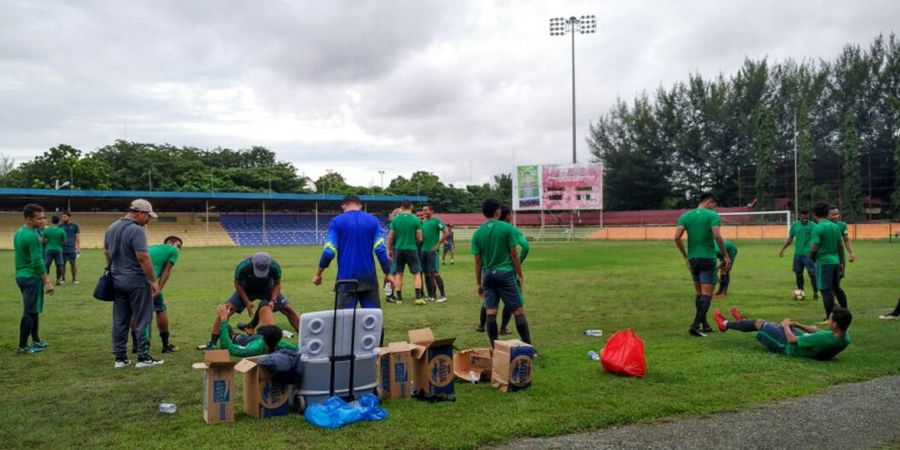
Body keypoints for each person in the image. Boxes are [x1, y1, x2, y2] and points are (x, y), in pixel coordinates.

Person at [104, 199, 163, 368]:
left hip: (117, 280)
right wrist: (153, 280)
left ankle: (120, 358)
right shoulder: (136, 230)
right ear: (140, 213)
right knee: (143, 318)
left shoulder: (112, 228)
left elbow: (107, 253)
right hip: (137, 281)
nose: (148, 220)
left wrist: (114, 269)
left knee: (120, 320)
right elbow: (143, 257)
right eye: (148, 217)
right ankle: (143, 357)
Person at [199, 252, 300, 350]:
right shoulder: (243, 266)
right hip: (246, 289)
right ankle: (212, 343)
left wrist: (273, 300)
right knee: (228, 309)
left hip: (268, 289)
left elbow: (277, 283)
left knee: (288, 310)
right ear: (253, 264)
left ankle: (305, 337)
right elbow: (237, 283)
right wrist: (246, 301)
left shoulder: (275, 266)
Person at [312, 194, 392, 311]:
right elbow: (380, 249)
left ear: (343, 206)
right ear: (360, 205)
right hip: (368, 278)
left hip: (345, 279)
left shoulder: (336, 222)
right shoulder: (373, 221)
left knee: (344, 323)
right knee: (372, 322)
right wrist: (388, 273)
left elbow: (329, 252)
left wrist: (318, 274)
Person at [472, 198, 531, 348]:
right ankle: (529, 347)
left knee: (491, 312)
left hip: (488, 275)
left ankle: (495, 349)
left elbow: (478, 262)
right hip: (505, 273)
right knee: (518, 310)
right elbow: (514, 254)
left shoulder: (477, 233)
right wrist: (520, 274)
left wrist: (479, 283)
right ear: (498, 211)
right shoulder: (507, 228)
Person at [674, 193, 729, 337]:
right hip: (707, 258)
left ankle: (704, 325)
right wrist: (725, 254)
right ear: (710, 202)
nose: (714, 208)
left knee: (699, 293)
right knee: (707, 295)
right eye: (714, 205)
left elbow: (676, 237)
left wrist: (685, 256)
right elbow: (717, 235)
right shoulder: (712, 215)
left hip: (693, 259)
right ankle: (695, 325)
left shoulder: (686, 216)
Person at [712, 306, 851, 360]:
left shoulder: (824, 341)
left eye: (830, 319)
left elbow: (791, 340)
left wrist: (786, 326)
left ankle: (724, 325)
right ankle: (742, 322)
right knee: (771, 324)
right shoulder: (844, 337)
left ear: (836, 324)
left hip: (787, 346)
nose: (828, 320)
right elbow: (818, 331)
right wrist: (797, 324)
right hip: (802, 338)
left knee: (761, 324)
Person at [14, 204, 55, 354]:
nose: (42, 220)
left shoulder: (20, 232)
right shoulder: (32, 236)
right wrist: (47, 281)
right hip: (31, 277)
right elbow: (37, 261)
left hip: (21, 275)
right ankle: (23, 346)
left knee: (33, 310)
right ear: (29, 219)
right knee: (29, 311)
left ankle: (36, 340)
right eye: (39, 218)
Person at [132, 236, 183, 354]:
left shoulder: (152, 247)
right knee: (160, 309)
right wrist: (158, 288)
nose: (179, 250)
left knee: (136, 312)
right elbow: (166, 271)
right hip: (149, 283)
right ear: (170, 242)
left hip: (134, 281)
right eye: (178, 246)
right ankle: (165, 345)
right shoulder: (173, 250)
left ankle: (135, 345)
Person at [810, 202, 846, 322]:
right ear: (827, 213)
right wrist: (841, 263)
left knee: (825, 290)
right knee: (836, 288)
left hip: (824, 263)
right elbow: (841, 246)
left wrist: (812, 256)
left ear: (814, 214)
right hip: (835, 261)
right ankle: (845, 311)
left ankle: (829, 317)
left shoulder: (817, 228)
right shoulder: (835, 226)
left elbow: (815, 246)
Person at [216, 304, 298, 357]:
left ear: (264, 339)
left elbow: (227, 346)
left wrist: (223, 320)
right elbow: (300, 350)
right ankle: (249, 327)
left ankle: (235, 335)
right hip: (257, 338)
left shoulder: (253, 349)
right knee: (264, 303)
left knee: (238, 337)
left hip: (250, 341)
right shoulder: (282, 345)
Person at [387, 199, 424, 304]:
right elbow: (420, 238)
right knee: (416, 273)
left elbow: (390, 237)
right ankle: (418, 298)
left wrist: (389, 249)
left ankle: (399, 298)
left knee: (399, 273)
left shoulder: (395, 220)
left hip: (398, 249)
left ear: (401, 207)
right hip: (411, 248)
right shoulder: (416, 220)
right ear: (411, 207)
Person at [778, 209, 818, 300]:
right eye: (802, 217)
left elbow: (817, 240)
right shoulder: (795, 225)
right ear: (799, 216)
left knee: (812, 274)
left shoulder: (813, 226)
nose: (804, 218)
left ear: (809, 216)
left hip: (809, 254)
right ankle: (801, 291)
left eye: (806, 216)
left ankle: (816, 293)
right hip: (798, 254)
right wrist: (782, 249)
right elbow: (790, 238)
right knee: (798, 274)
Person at [420, 204, 449, 302]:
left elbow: (446, 233)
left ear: (431, 211)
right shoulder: (423, 222)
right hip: (423, 251)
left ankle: (443, 295)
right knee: (426, 274)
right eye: (423, 210)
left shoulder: (437, 221)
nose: (424, 212)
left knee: (434, 273)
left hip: (432, 251)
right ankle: (431, 295)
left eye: (426, 210)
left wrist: (438, 245)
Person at [42, 215, 67, 285]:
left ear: (51, 221)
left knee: (46, 265)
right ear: (58, 222)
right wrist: (58, 243)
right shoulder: (62, 231)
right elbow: (65, 242)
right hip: (58, 249)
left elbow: (42, 241)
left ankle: (46, 280)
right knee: (59, 265)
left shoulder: (46, 230)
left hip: (48, 249)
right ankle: (58, 280)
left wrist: (48, 242)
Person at [59, 211, 81, 284]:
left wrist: (78, 249)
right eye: (62, 217)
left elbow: (78, 238)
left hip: (72, 248)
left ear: (69, 217)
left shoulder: (75, 226)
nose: (63, 218)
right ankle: (63, 279)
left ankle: (74, 279)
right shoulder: (60, 226)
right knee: (63, 264)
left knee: (73, 263)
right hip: (62, 249)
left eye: (64, 217)